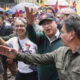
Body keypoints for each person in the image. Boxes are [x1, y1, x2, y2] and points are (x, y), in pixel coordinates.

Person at [0, 14, 80, 80]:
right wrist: (17, 55)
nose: (60, 35)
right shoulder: (61, 51)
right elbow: (40, 58)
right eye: (44, 24)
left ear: (71, 35)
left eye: (62, 32)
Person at [26, 7, 63, 80]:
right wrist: (29, 24)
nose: (46, 26)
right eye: (44, 24)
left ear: (56, 23)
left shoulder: (64, 37)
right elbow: (32, 36)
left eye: (49, 22)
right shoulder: (41, 36)